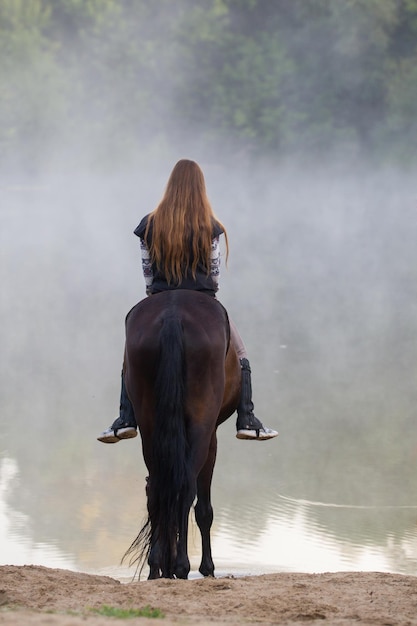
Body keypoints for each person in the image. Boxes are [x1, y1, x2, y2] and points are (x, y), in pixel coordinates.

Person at [97, 159, 278, 443]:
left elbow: (147, 272)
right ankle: (247, 419)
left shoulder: (149, 224)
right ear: (200, 188)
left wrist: (155, 296)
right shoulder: (210, 225)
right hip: (202, 298)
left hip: (159, 297)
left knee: (130, 354)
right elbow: (214, 274)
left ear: (170, 186)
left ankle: (125, 418)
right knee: (240, 354)